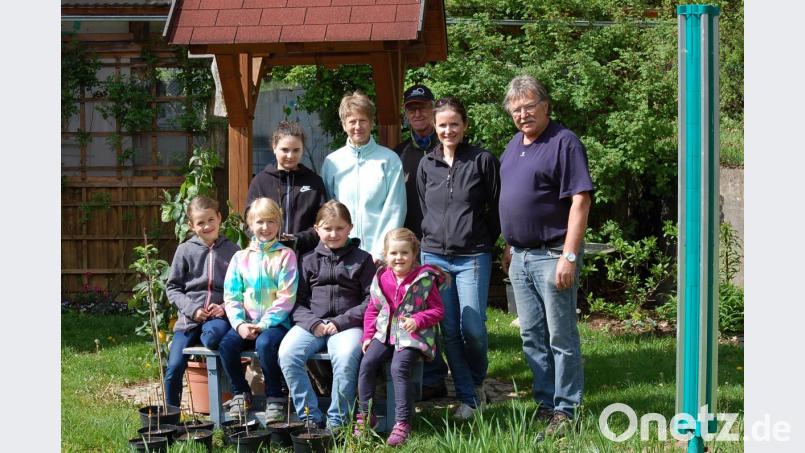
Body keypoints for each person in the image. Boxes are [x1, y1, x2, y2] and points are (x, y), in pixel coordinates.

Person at [499, 75, 593, 439]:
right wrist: (509, 244)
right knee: (532, 337)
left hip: (552, 254)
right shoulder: (514, 144)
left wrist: (569, 254)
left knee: (560, 336)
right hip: (520, 256)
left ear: (545, 106)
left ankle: (567, 409)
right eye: (516, 109)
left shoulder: (563, 142)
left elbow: (580, 200)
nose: (523, 114)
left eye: (528, 107)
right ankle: (545, 403)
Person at [416, 96, 501, 420]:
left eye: (454, 124)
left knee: (473, 326)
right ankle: (468, 397)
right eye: (442, 125)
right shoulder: (427, 164)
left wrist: (483, 240)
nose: (448, 130)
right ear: (435, 128)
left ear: (464, 125)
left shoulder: (482, 160)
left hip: (472, 256)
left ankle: (476, 379)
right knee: (449, 330)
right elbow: (426, 208)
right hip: (435, 255)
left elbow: (495, 207)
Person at [279, 200, 376, 429]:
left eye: (340, 228)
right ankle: (310, 417)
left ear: (350, 228)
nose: (333, 234)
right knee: (287, 354)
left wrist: (340, 322)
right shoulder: (307, 260)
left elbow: (371, 300)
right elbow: (296, 302)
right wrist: (313, 324)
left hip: (348, 324)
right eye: (327, 228)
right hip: (313, 323)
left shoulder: (362, 259)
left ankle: (337, 422)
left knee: (345, 358)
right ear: (316, 229)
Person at [355, 228, 446, 446]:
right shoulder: (381, 278)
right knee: (367, 363)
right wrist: (368, 337)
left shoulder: (424, 280)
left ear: (414, 254)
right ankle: (366, 416)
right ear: (386, 255)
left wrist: (419, 319)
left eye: (404, 253)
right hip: (384, 332)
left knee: (399, 368)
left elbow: (438, 310)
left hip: (412, 336)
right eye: (394, 253)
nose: (399, 258)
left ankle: (402, 422)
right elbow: (372, 310)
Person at [393, 84, 449, 400]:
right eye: (412, 108)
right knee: (414, 313)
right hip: (408, 249)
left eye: (423, 108)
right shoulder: (399, 154)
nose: (418, 114)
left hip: (442, 244)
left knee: (444, 315)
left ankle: (451, 376)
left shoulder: (448, 147)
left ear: (434, 110)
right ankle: (427, 377)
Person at [219, 197, 298, 421]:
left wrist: (264, 324)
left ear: (279, 224)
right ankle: (240, 393)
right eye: (260, 222)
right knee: (226, 344)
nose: (265, 227)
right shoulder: (240, 258)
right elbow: (232, 295)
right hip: (246, 322)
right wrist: (240, 324)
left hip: (276, 324)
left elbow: (286, 296)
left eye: (271, 221)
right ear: (250, 225)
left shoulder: (286, 256)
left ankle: (275, 396)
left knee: (265, 344)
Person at [164, 196, 240, 409]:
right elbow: (173, 288)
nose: (206, 226)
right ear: (191, 225)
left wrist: (224, 307)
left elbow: (241, 288)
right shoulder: (185, 250)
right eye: (200, 223)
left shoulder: (233, 250)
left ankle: (231, 398)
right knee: (174, 367)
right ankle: (172, 417)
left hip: (218, 316)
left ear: (219, 218)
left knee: (214, 337)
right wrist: (192, 309)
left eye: (210, 220)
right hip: (188, 320)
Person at [321, 91, 406, 263]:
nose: (357, 126)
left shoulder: (389, 160)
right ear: (344, 125)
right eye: (352, 121)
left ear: (372, 123)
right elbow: (328, 208)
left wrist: (381, 251)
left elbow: (395, 208)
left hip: (379, 256)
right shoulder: (332, 162)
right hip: (342, 254)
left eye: (363, 121)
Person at [246, 120, 327, 257]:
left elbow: (323, 223)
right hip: (267, 259)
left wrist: (297, 240)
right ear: (274, 147)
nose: (290, 156)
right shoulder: (260, 182)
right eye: (285, 150)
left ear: (303, 149)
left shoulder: (314, 182)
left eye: (296, 150)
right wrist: (270, 239)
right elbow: (249, 223)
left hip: (306, 260)